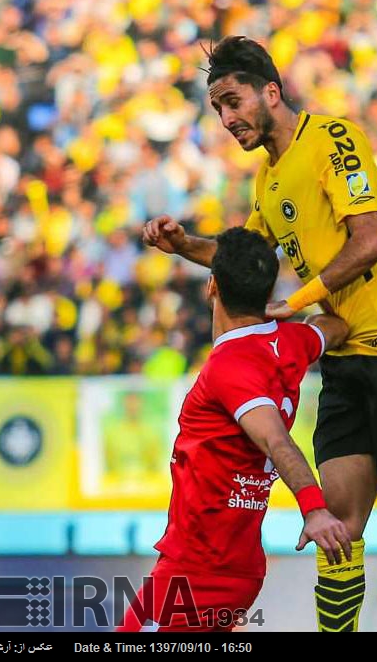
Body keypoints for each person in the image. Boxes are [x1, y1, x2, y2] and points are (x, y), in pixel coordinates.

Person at [143, 36, 377, 632]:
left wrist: (293, 303)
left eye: (234, 101)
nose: (227, 119)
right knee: (336, 524)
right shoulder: (268, 179)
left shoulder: (333, 139)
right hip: (344, 357)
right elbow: (244, 259)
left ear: (271, 92)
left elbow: (372, 240)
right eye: (217, 109)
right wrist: (186, 245)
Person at [119, 227, 351, 632]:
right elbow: (336, 327)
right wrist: (290, 309)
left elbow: (276, 438)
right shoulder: (292, 342)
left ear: (212, 286)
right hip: (237, 565)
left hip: (197, 568)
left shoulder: (230, 366)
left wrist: (314, 508)